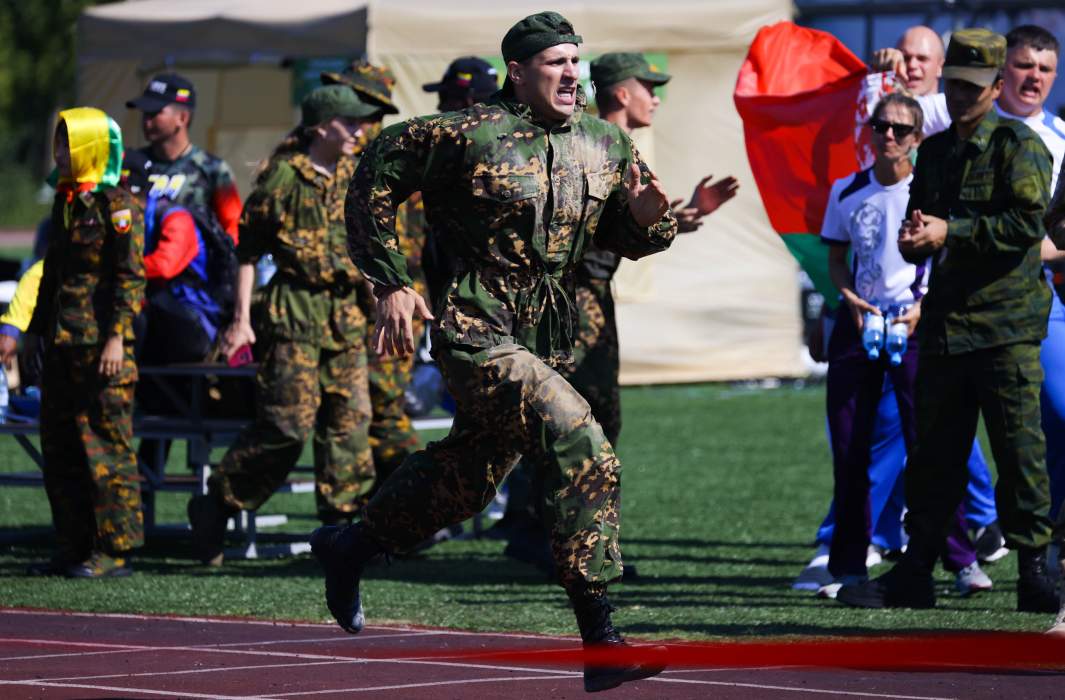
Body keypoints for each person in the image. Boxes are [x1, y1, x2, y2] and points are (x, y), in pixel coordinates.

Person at [313, 11, 676, 692]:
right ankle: (601, 640)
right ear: (516, 69)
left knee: (469, 478)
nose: (571, 73)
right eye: (554, 62)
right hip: (474, 326)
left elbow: (628, 234)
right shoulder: (463, 132)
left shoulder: (604, 142)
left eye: (576, 60)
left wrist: (652, 223)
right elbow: (373, 175)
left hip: (549, 335)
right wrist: (389, 281)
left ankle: (350, 544)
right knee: (581, 442)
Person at [837, 29, 1061, 613]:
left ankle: (1035, 573)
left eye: (973, 86)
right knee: (934, 458)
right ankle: (915, 572)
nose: (961, 95)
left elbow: (1024, 228)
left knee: (1019, 456)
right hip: (944, 326)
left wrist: (950, 232)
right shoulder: (934, 152)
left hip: (1006, 328)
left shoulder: (1018, 146)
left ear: (992, 88)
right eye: (955, 84)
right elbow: (923, 231)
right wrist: (916, 243)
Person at [185, 85, 383, 566]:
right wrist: (240, 322)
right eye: (349, 122)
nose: (359, 129)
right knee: (286, 427)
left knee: (350, 426)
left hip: (345, 316)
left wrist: (381, 308)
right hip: (293, 313)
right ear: (321, 128)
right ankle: (218, 504)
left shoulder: (356, 176)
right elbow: (247, 254)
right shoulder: (281, 179)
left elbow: (370, 250)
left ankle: (344, 538)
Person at [817, 92, 992, 598]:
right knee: (850, 449)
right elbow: (834, 259)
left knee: (935, 447)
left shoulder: (931, 192)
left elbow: (948, 261)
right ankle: (849, 565)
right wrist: (846, 296)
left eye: (899, 129)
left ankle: (961, 560)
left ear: (918, 139)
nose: (888, 136)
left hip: (918, 328)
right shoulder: (846, 190)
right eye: (881, 126)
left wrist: (924, 304)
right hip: (860, 327)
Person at [25, 108, 146, 578]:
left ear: (90, 148)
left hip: (102, 348)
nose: (60, 153)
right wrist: (36, 331)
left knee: (105, 447)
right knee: (60, 447)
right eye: (58, 144)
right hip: (61, 343)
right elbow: (52, 274)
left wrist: (117, 337)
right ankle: (72, 546)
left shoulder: (117, 206)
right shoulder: (65, 201)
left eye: (68, 144)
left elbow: (130, 278)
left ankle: (115, 549)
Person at [126, 73, 242, 242]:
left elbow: (233, 230)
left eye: (154, 113)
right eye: (145, 113)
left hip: (195, 266)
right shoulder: (131, 165)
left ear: (182, 118)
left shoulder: (213, 170)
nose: (146, 121)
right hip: (140, 266)